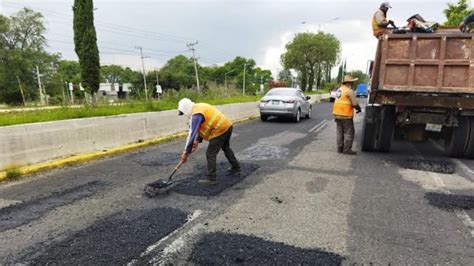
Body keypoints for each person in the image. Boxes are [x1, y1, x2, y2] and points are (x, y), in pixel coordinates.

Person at [178, 98, 240, 186]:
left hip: (220, 130)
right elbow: (206, 125)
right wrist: (197, 140)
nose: (184, 114)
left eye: (183, 112)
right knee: (226, 148)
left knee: (210, 153)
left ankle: (212, 179)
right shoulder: (199, 107)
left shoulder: (196, 115)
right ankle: (236, 167)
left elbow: (191, 134)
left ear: (186, 108)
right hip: (227, 126)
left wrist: (186, 152)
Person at [332, 75, 362, 155]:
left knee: (339, 131)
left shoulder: (339, 90)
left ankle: (340, 148)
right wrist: (359, 108)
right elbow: (354, 103)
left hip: (337, 114)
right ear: (349, 83)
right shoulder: (349, 91)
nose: (352, 84)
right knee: (349, 132)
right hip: (345, 115)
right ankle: (347, 149)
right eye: (352, 82)